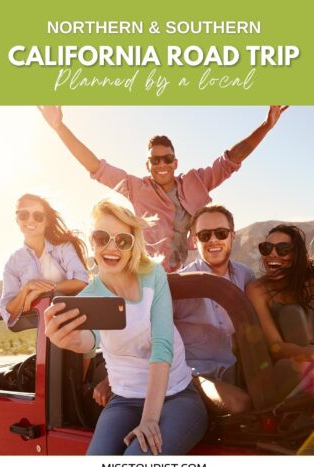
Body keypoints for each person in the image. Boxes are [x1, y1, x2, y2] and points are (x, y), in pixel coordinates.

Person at [44, 198, 207, 455]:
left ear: (133, 246)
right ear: (92, 241)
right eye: (101, 238)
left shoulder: (153, 276)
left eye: (123, 240)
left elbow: (162, 347)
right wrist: (67, 340)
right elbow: (88, 340)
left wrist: (149, 420)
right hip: (124, 401)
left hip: (177, 396)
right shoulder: (90, 296)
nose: (112, 247)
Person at [38, 106, 287, 272]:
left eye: (167, 159)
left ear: (175, 162)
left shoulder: (196, 182)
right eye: (155, 160)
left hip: (192, 272)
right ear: (148, 165)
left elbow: (232, 159)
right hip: (150, 277)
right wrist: (59, 127)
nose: (161, 164)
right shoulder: (136, 188)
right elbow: (95, 166)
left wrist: (267, 124)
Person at [173, 205, 255, 414]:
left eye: (221, 233)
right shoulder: (181, 283)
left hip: (235, 369)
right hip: (194, 374)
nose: (213, 240)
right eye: (204, 235)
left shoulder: (246, 275)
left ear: (232, 236)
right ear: (194, 241)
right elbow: (150, 329)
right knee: (240, 405)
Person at [0, 193, 89, 327]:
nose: (30, 220)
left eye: (38, 216)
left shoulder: (63, 248)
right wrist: (27, 289)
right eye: (23, 215)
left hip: (74, 324)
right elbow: (8, 310)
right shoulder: (12, 264)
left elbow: (81, 281)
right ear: (17, 219)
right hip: (42, 335)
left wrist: (42, 290)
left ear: (46, 221)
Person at [246, 224, 314, 365]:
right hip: (290, 367)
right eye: (267, 248)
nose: (273, 254)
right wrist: (308, 354)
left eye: (283, 249)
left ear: (296, 254)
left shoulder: (310, 279)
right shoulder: (257, 290)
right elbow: (275, 347)